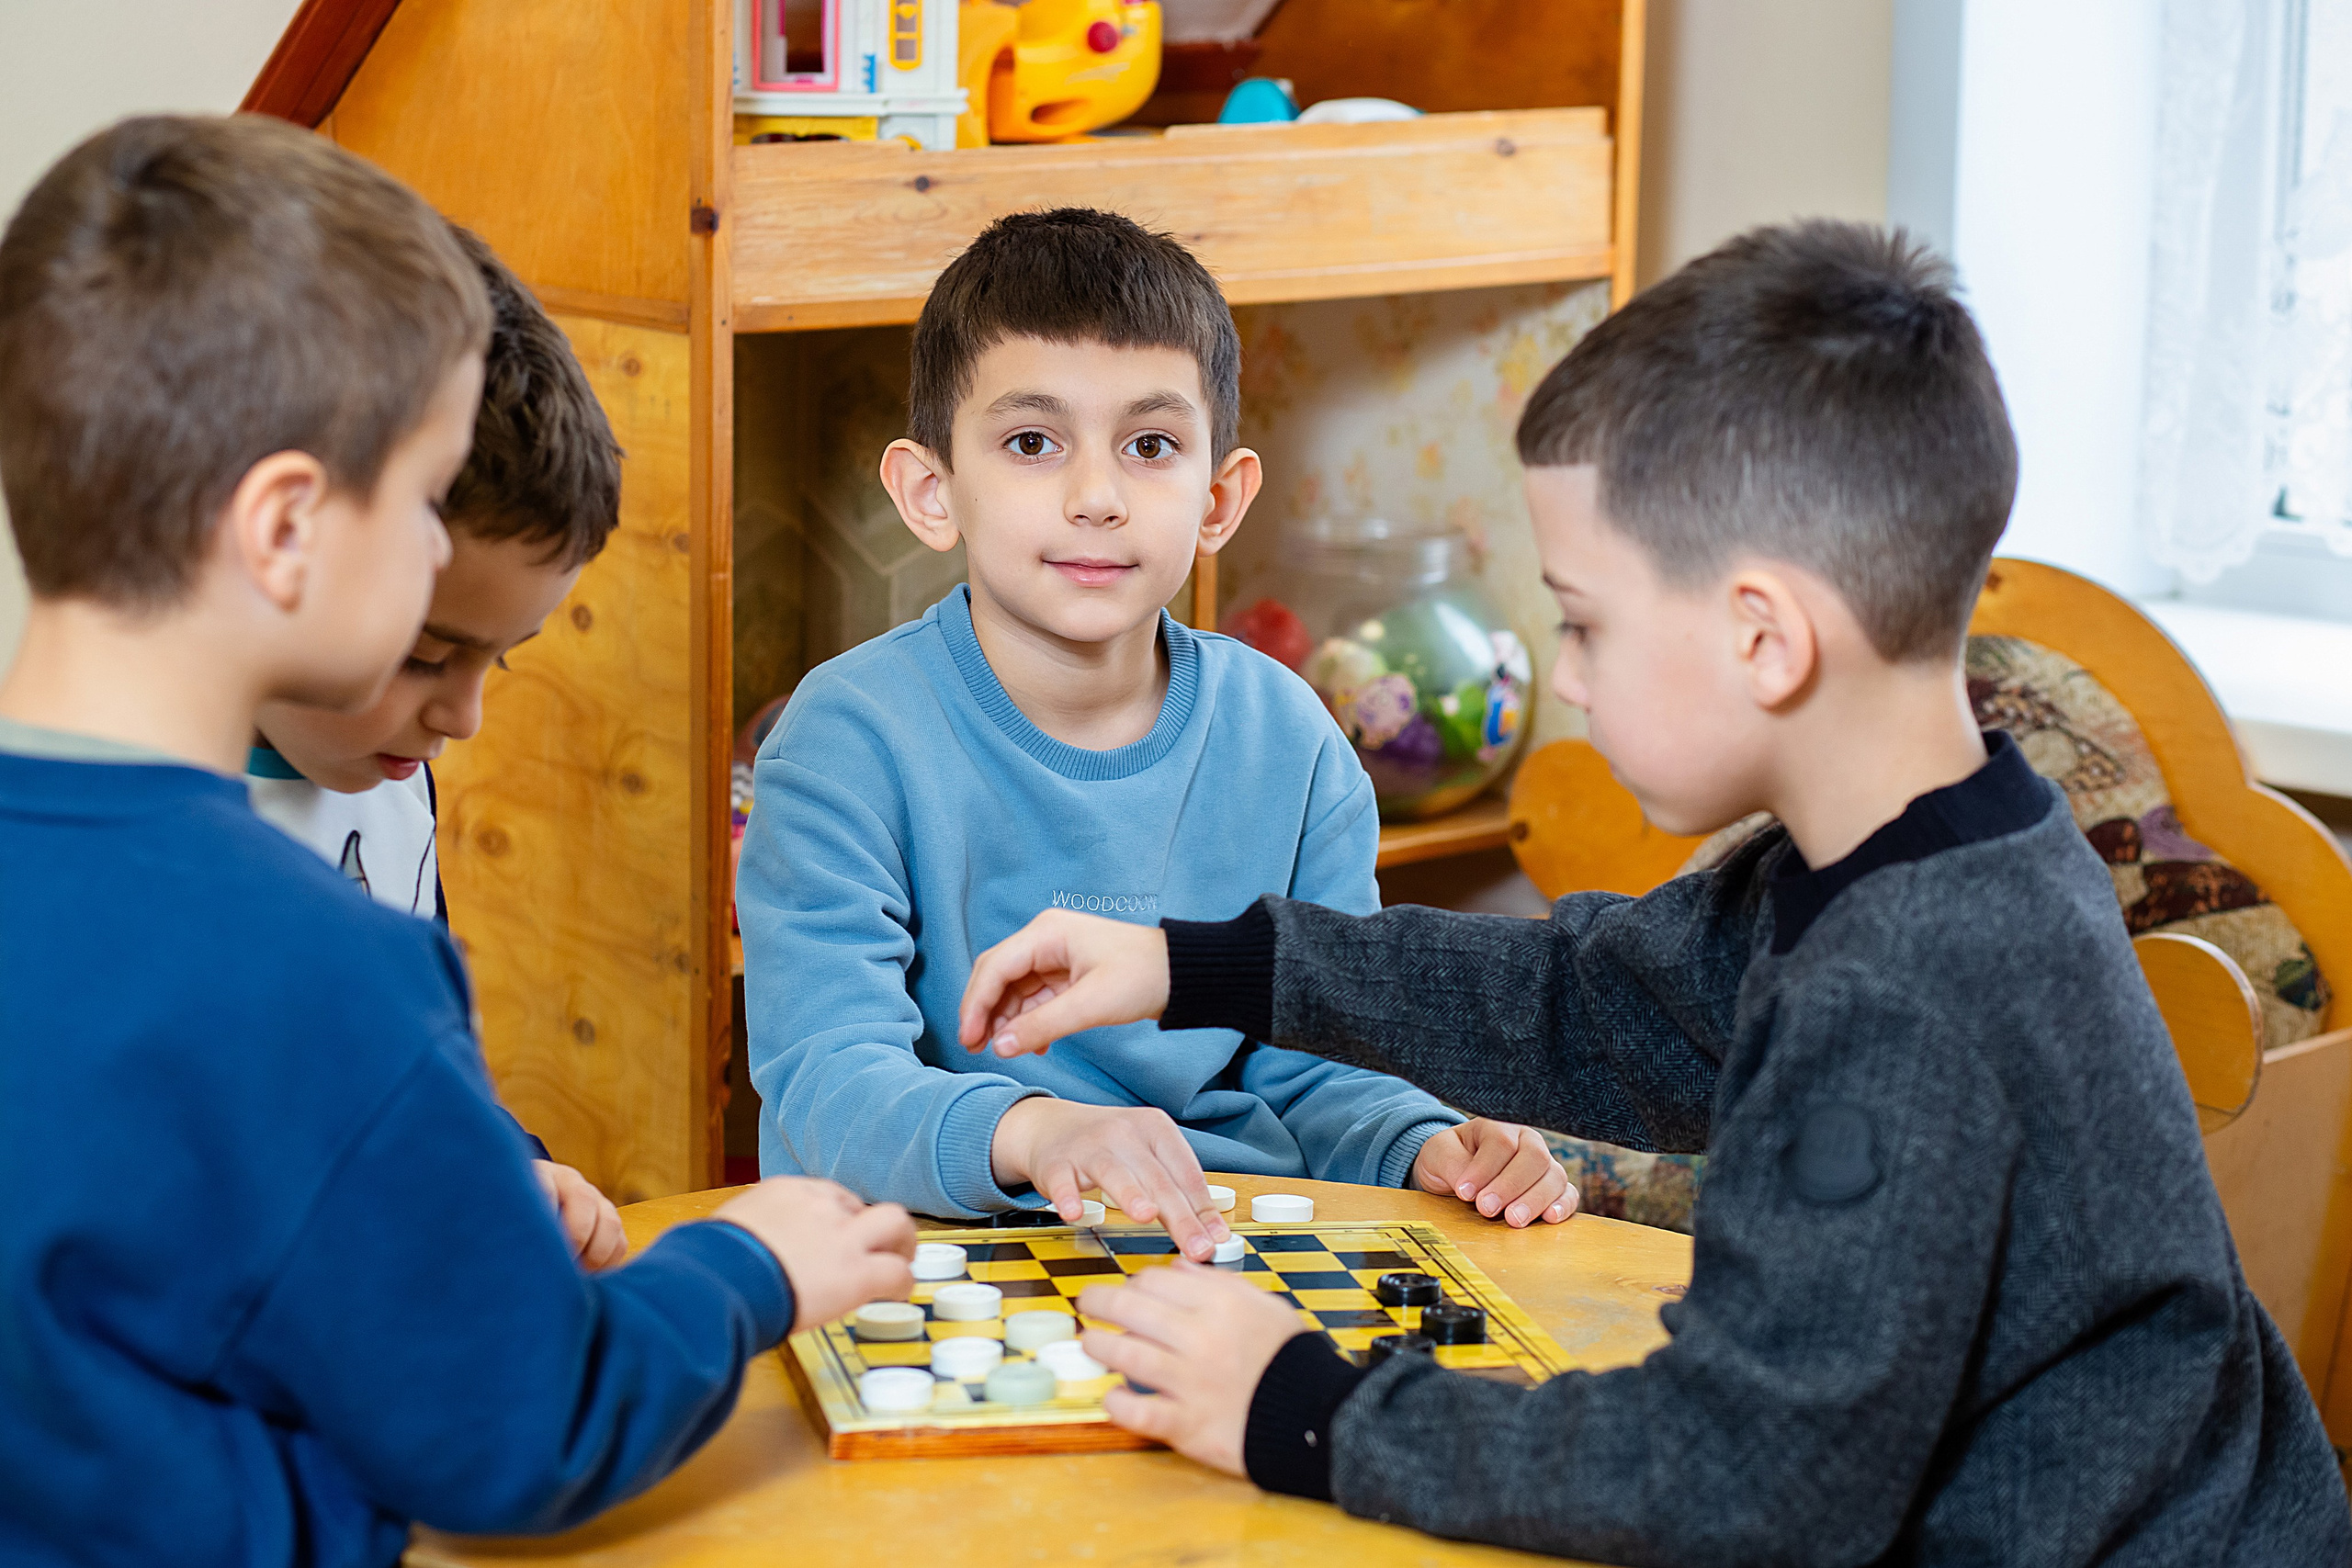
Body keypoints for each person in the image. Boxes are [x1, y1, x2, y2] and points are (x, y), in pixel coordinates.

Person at [955, 221, 2352, 1562]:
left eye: (1585, 618)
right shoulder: (1908, 847)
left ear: (1763, 636)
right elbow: (1585, 1002)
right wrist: (1193, 961)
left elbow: (1745, 1477)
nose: (1563, 672)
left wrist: (1303, 1404)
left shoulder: (1905, 993)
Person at [0, 115, 914, 1568]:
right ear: (287, 526)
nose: (441, 544)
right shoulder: (312, 963)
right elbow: (517, 1427)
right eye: (429, 502)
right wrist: (743, 1267)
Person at [739, 209, 1571, 1263]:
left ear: (1218, 498)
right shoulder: (845, 738)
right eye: (1032, 443)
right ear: (930, 490)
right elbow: (829, 1081)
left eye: (1150, 445)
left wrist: (1418, 1142)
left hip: (1220, 1247)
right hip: (933, 1257)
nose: (1096, 498)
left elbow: (1320, 1058)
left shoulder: (1292, 737)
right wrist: (1034, 1133)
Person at [249, 223, 628, 1268]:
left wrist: (511, 1166)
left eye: (495, 661)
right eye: (423, 656)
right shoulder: (146, 844)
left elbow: (418, 1075)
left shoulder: (380, 770)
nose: (461, 719)